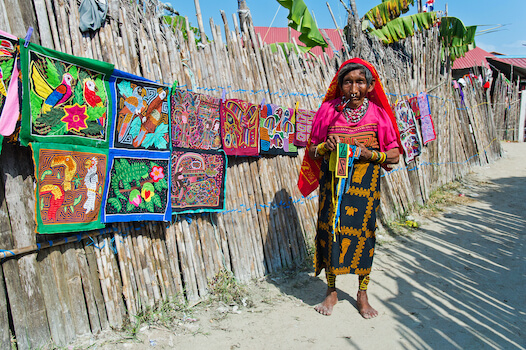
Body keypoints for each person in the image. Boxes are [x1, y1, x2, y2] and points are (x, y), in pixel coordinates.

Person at [297, 58, 402, 319]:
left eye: (359, 82)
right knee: (331, 232)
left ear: (369, 86)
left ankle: (362, 294)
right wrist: (325, 147)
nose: (353, 87)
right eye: (347, 82)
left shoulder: (379, 114)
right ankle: (331, 291)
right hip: (332, 185)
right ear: (340, 85)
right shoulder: (327, 111)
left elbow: (395, 154)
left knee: (364, 236)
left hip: (365, 189)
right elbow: (312, 149)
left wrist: (370, 154)